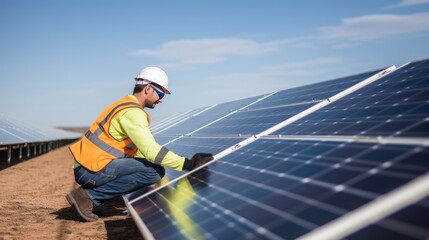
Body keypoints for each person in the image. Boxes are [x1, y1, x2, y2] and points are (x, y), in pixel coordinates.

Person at [66, 67, 213, 222]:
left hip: (87, 166)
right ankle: (87, 197)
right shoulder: (133, 113)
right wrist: (188, 164)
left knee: (151, 167)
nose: (161, 99)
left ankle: (89, 196)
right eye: (161, 93)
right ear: (148, 89)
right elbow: (151, 151)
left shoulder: (124, 104)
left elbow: (139, 153)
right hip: (91, 170)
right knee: (154, 172)